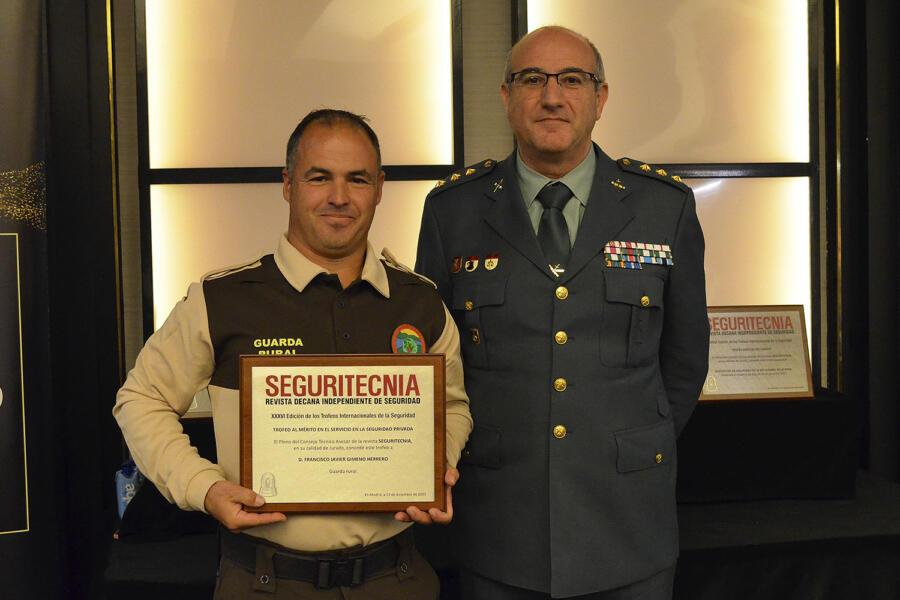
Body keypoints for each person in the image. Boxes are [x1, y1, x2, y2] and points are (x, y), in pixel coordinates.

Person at [114, 109, 472, 599]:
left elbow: (452, 405)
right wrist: (206, 488)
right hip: (266, 582)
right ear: (288, 184)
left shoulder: (420, 301)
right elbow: (141, 400)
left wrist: (434, 466)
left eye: (358, 179)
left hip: (398, 578)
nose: (339, 197)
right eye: (319, 177)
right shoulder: (223, 299)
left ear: (381, 187)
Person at [415, 26, 709, 599]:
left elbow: (685, 359)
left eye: (572, 79)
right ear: (506, 97)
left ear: (600, 98)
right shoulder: (453, 211)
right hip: (499, 528)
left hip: (628, 522)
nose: (552, 97)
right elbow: (434, 362)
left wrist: (625, 441)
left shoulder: (662, 207)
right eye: (532, 80)